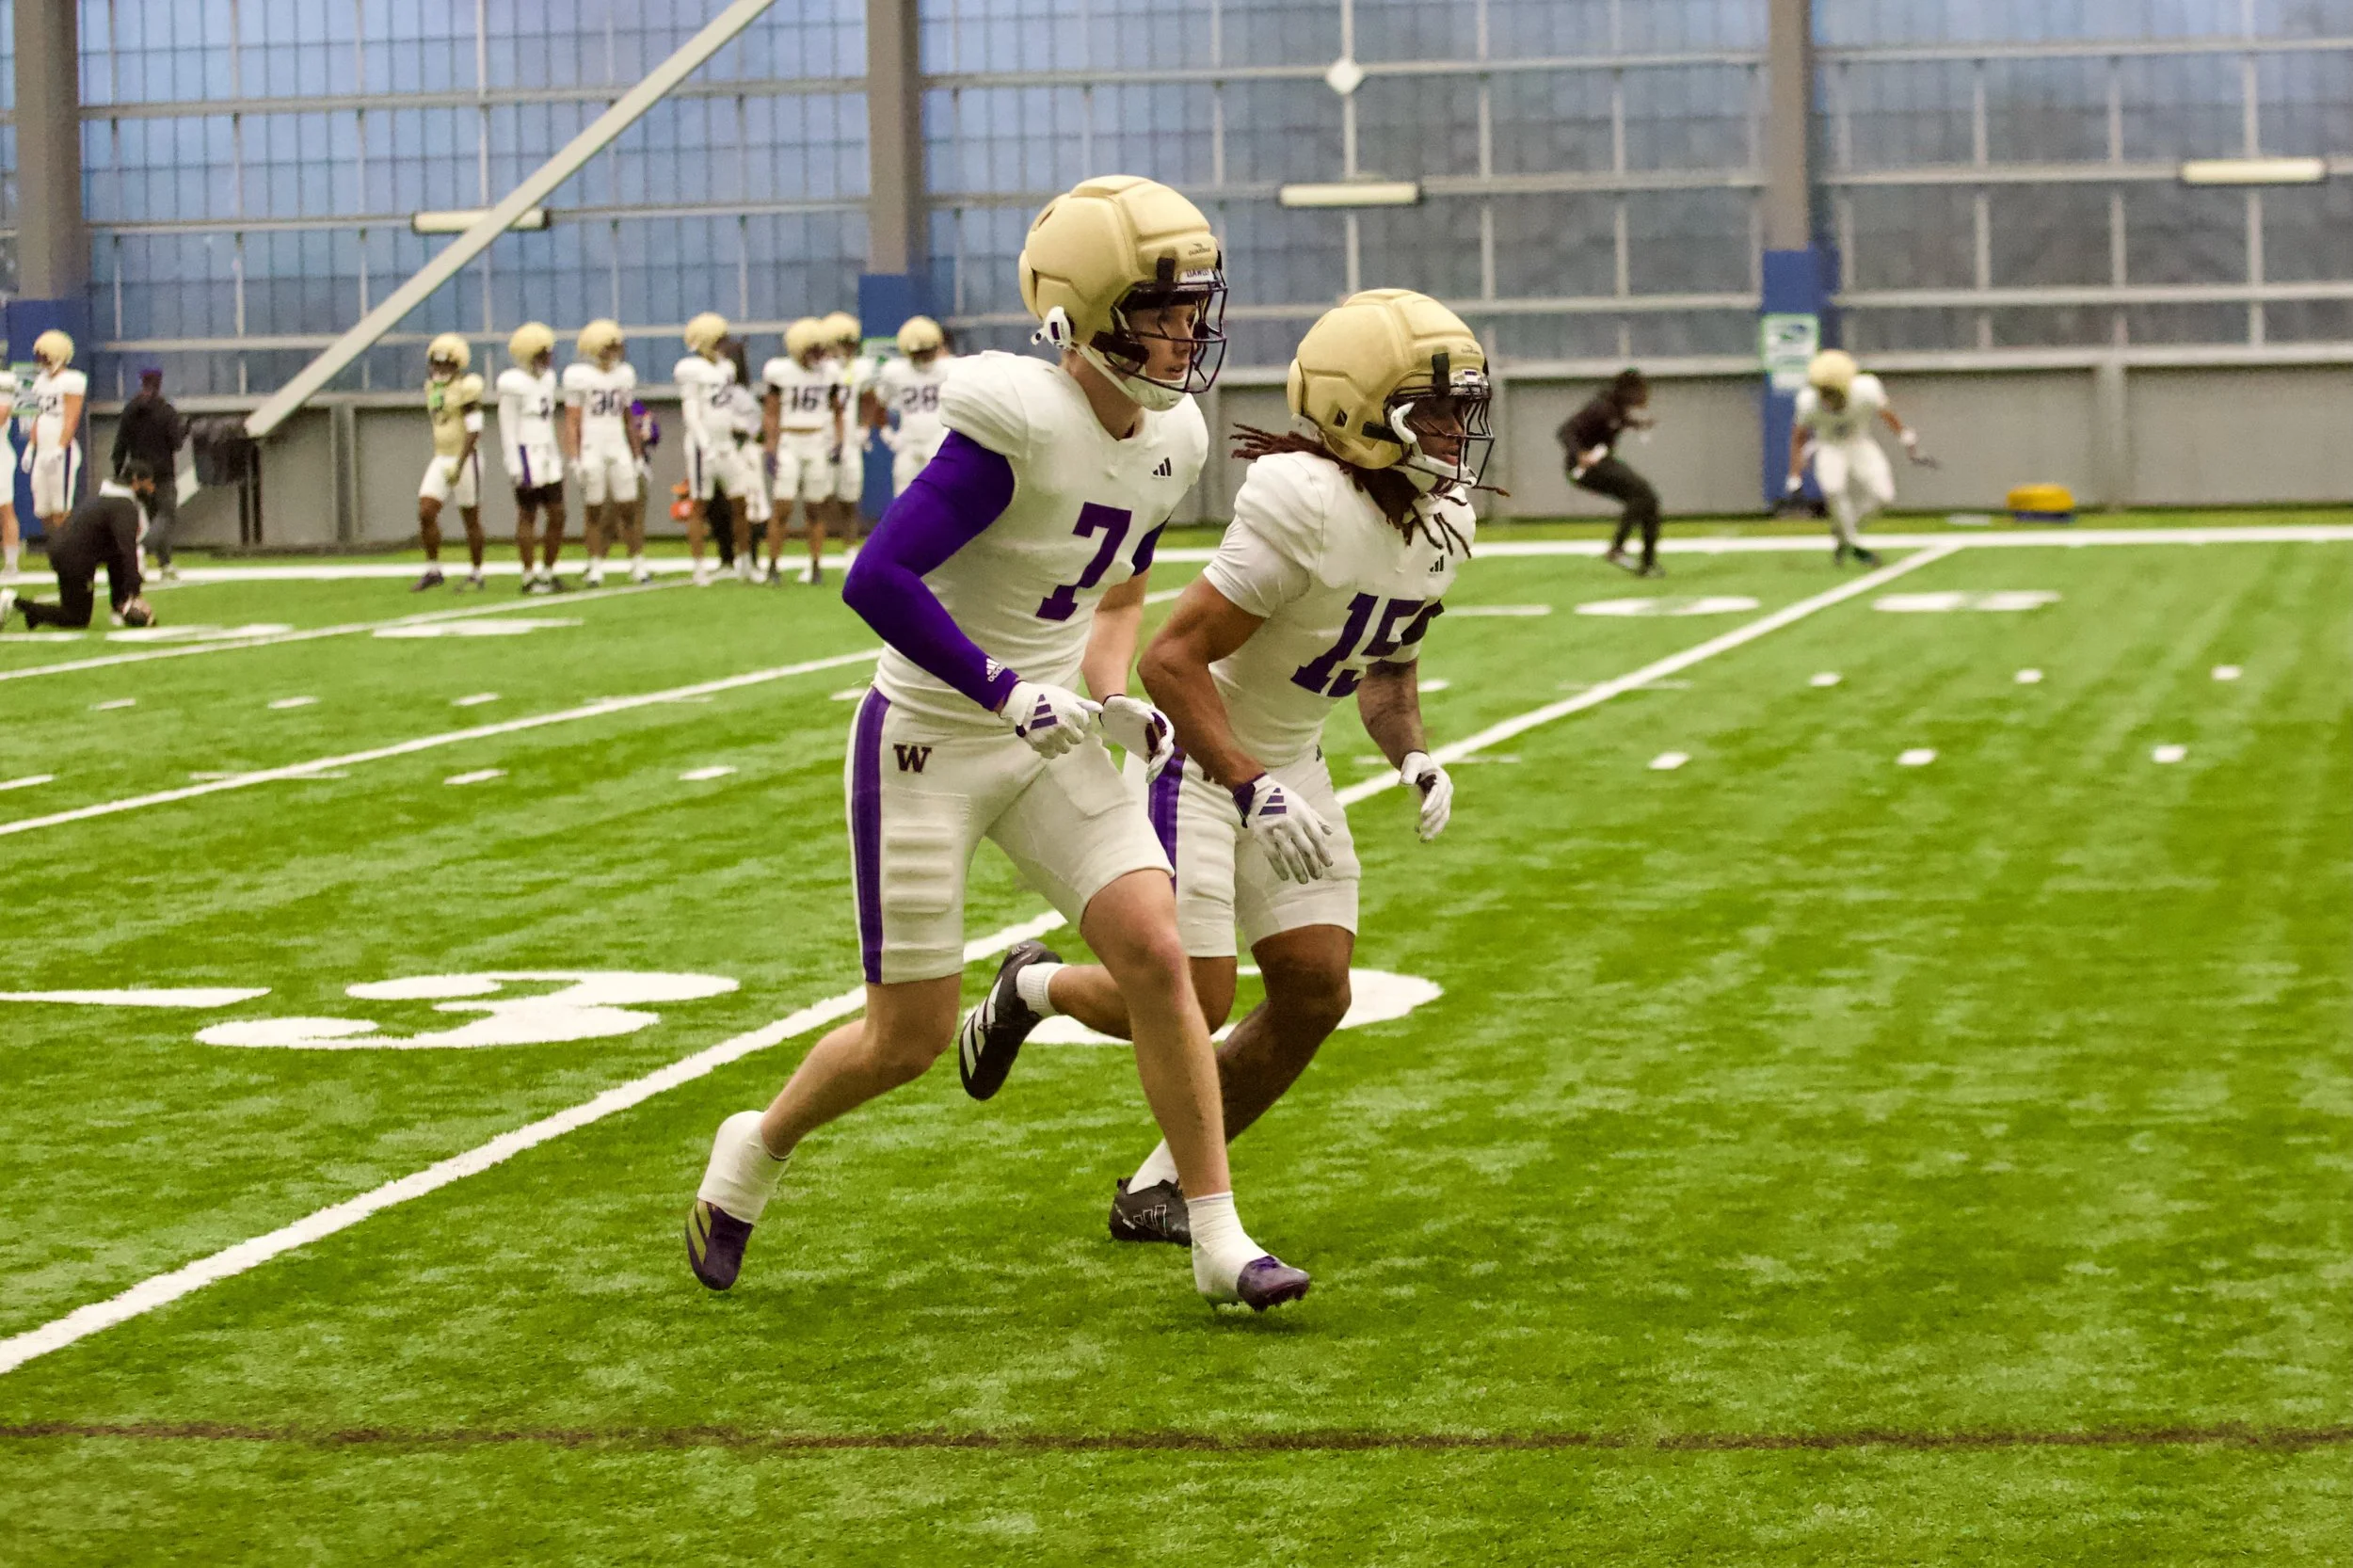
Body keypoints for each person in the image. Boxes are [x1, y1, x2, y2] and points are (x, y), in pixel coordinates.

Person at [685, 173, 1310, 1313]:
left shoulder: (1173, 434)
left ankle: (1218, 1234)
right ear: (1081, 312)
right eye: (1157, 309)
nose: (1185, 332)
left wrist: (1114, 695)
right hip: (927, 739)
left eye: (1191, 309)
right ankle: (756, 1146)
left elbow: (1118, 594)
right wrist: (999, 689)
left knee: (1161, 958)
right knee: (906, 1040)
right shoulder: (1014, 418)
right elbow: (873, 578)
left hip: (1051, 732)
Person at [954, 289, 1482, 1244]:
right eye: (1431, 406)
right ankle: (1028, 987)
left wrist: (1413, 756)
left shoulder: (1443, 525)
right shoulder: (1302, 503)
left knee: (1317, 991)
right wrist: (1246, 779)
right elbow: (1169, 660)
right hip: (1195, 763)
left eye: (1460, 407)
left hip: (1290, 762)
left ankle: (1158, 1183)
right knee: (1195, 1000)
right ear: (1355, 405)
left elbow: (1388, 671)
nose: (1454, 429)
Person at [1785, 349, 1930, 568]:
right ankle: (1852, 542)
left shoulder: (1866, 391)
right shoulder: (1807, 402)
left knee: (1884, 496)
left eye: (1832, 392)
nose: (1827, 398)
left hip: (1860, 443)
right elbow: (1798, 437)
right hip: (1829, 446)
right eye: (1823, 392)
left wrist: (1905, 436)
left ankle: (1844, 531)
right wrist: (1794, 475)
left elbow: (1887, 413)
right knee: (1833, 489)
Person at [0, 457, 155, 632]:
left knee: (114, 555)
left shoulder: (108, 499)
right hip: (75, 557)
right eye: (148, 483)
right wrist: (135, 592)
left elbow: (118, 553)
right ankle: (15, 603)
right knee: (77, 617)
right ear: (135, 480)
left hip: (65, 549)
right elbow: (127, 549)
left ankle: (119, 606)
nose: (151, 489)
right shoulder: (123, 506)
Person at [673, 312, 761, 587]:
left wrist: (739, 426)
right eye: (719, 339)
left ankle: (746, 563)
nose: (724, 344)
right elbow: (691, 412)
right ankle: (699, 567)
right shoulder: (690, 369)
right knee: (700, 505)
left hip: (726, 444)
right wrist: (704, 444)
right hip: (705, 447)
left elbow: (725, 406)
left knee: (741, 501)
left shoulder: (725, 368)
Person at [563, 319, 648, 587]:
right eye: (608, 346)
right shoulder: (579, 376)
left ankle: (637, 562)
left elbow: (628, 418)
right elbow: (573, 421)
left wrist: (637, 456)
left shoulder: (623, 375)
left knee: (629, 507)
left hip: (617, 444)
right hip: (592, 445)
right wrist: (575, 457)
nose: (613, 352)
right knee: (594, 508)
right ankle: (596, 564)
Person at [760, 317, 844, 585]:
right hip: (790, 441)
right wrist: (770, 447)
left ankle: (816, 564)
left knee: (815, 508)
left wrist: (838, 440)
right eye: (813, 350)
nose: (819, 355)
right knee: (782, 507)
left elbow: (837, 411)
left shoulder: (829, 372)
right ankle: (773, 564)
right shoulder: (781, 371)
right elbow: (771, 413)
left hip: (817, 441)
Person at [1560, 368, 1661, 577]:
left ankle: (1648, 563)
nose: (1644, 396)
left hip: (1601, 463)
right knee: (1642, 493)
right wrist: (1579, 453)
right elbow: (1565, 431)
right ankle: (1617, 548)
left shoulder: (1617, 408)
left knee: (1649, 499)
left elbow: (1618, 422)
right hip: (1583, 469)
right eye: (1640, 390)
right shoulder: (1600, 407)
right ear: (1628, 390)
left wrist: (1639, 425)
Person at [497, 322, 568, 594]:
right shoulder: (513, 384)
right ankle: (528, 575)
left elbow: (547, 420)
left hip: (547, 451)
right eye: (542, 354)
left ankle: (548, 572)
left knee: (558, 513)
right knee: (528, 514)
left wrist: (555, 453)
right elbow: (508, 426)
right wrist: (514, 463)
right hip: (526, 451)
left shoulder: (548, 380)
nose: (548, 359)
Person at [414, 333, 488, 592]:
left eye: (445, 364)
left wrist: (460, 462)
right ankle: (433, 569)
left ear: (457, 365)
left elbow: (474, 429)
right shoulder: (432, 388)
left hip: (464, 457)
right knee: (426, 511)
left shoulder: (467, 387)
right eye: (436, 364)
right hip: (441, 456)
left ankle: (477, 572)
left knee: (470, 516)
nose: (439, 369)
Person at [112, 367, 190, 582]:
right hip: (163, 473)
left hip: (138, 474)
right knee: (166, 514)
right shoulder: (166, 411)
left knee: (154, 516)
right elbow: (175, 443)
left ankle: (165, 564)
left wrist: (118, 472)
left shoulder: (131, 409)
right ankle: (141, 550)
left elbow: (121, 444)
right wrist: (184, 430)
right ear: (160, 383)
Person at [874, 314, 953, 498]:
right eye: (920, 352)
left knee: (941, 495)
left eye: (928, 351)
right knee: (903, 497)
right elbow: (879, 405)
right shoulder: (895, 373)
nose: (925, 357)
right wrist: (887, 435)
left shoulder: (950, 369)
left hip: (939, 440)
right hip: (908, 442)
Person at [24, 330, 88, 549]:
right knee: (43, 509)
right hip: (42, 448)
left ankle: (70, 554)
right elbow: (38, 416)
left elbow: (71, 418)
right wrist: (31, 446)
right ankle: (58, 550)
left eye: (45, 356)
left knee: (61, 508)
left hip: (61, 451)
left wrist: (61, 447)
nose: (42, 362)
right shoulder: (40, 381)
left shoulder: (72, 380)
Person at [825, 310, 878, 546]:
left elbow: (870, 398)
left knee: (850, 499)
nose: (847, 348)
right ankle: (817, 555)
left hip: (849, 441)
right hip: (822, 438)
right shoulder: (821, 369)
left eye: (850, 343)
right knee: (818, 500)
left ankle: (850, 551)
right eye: (842, 342)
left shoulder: (860, 368)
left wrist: (864, 427)